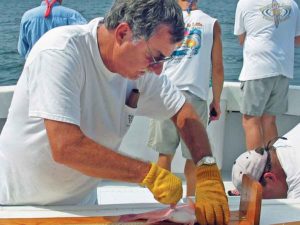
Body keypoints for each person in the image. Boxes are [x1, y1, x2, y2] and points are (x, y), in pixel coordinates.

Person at [0, 0, 229, 224]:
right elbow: (66, 146)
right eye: (155, 58)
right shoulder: (60, 51)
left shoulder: (142, 71)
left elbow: (183, 111)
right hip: (19, 205)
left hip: (83, 206)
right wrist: (148, 174)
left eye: (164, 60)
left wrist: (206, 166)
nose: (158, 71)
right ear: (122, 34)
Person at [147, 0, 224, 197]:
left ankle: (163, 201)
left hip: (165, 93)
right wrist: (216, 100)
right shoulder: (211, 23)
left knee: (165, 154)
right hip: (195, 97)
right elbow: (217, 68)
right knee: (195, 157)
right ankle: (192, 202)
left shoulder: (163, 18)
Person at [234, 0, 300, 151]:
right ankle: (272, 169)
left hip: (257, 69)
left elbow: (241, 38)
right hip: (283, 70)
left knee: (250, 120)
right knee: (269, 121)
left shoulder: (245, 3)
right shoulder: (292, 4)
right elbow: (297, 39)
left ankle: (256, 170)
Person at [232, 123, 300, 199]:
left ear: (270, 177)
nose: (261, 201)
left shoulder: (296, 191)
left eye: (260, 197)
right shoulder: (280, 145)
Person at [18, 0, 87, 59]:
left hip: (34, 68)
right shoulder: (73, 16)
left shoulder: (27, 16)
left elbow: (22, 51)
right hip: (63, 67)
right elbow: (86, 41)